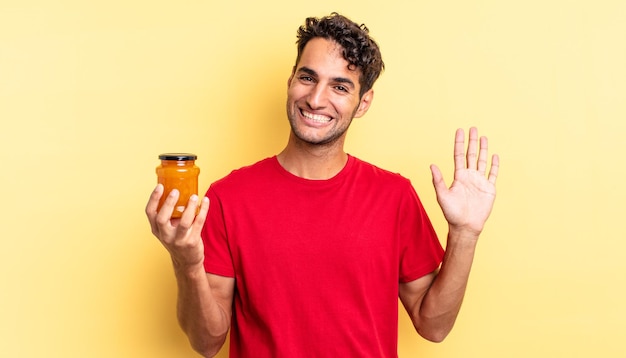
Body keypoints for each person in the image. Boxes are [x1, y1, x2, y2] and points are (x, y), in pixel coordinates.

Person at [146, 12, 499, 358]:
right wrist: (186, 262)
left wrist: (465, 235)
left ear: (363, 103)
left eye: (340, 86)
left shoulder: (395, 197)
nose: (316, 99)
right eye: (308, 77)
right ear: (290, 80)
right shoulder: (228, 198)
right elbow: (207, 342)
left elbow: (433, 326)